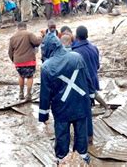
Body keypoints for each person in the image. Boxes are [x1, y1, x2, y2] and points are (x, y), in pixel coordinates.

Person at [38, 34, 94, 165]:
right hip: (81, 103)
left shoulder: (46, 67)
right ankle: (82, 159)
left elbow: (45, 94)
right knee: (81, 134)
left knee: (62, 136)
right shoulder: (77, 57)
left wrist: (43, 115)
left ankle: (62, 160)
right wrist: (91, 96)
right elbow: (88, 79)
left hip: (61, 107)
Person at [72, 26, 111, 141]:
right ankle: (106, 107)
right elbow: (98, 66)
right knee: (90, 101)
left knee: (84, 110)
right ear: (87, 35)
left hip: (82, 83)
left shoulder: (75, 52)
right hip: (93, 79)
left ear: (76, 37)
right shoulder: (94, 48)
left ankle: (88, 136)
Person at [9, 23, 45, 101]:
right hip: (29, 61)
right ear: (25, 27)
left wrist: (14, 60)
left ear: (17, 28)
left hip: (18, 62)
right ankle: (28, 94)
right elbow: (36, 43)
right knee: (30, 76)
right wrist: (41, 37)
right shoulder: (29, 34)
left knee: (21, 75)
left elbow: (10, 52)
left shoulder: (12, 37)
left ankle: (21, 93)